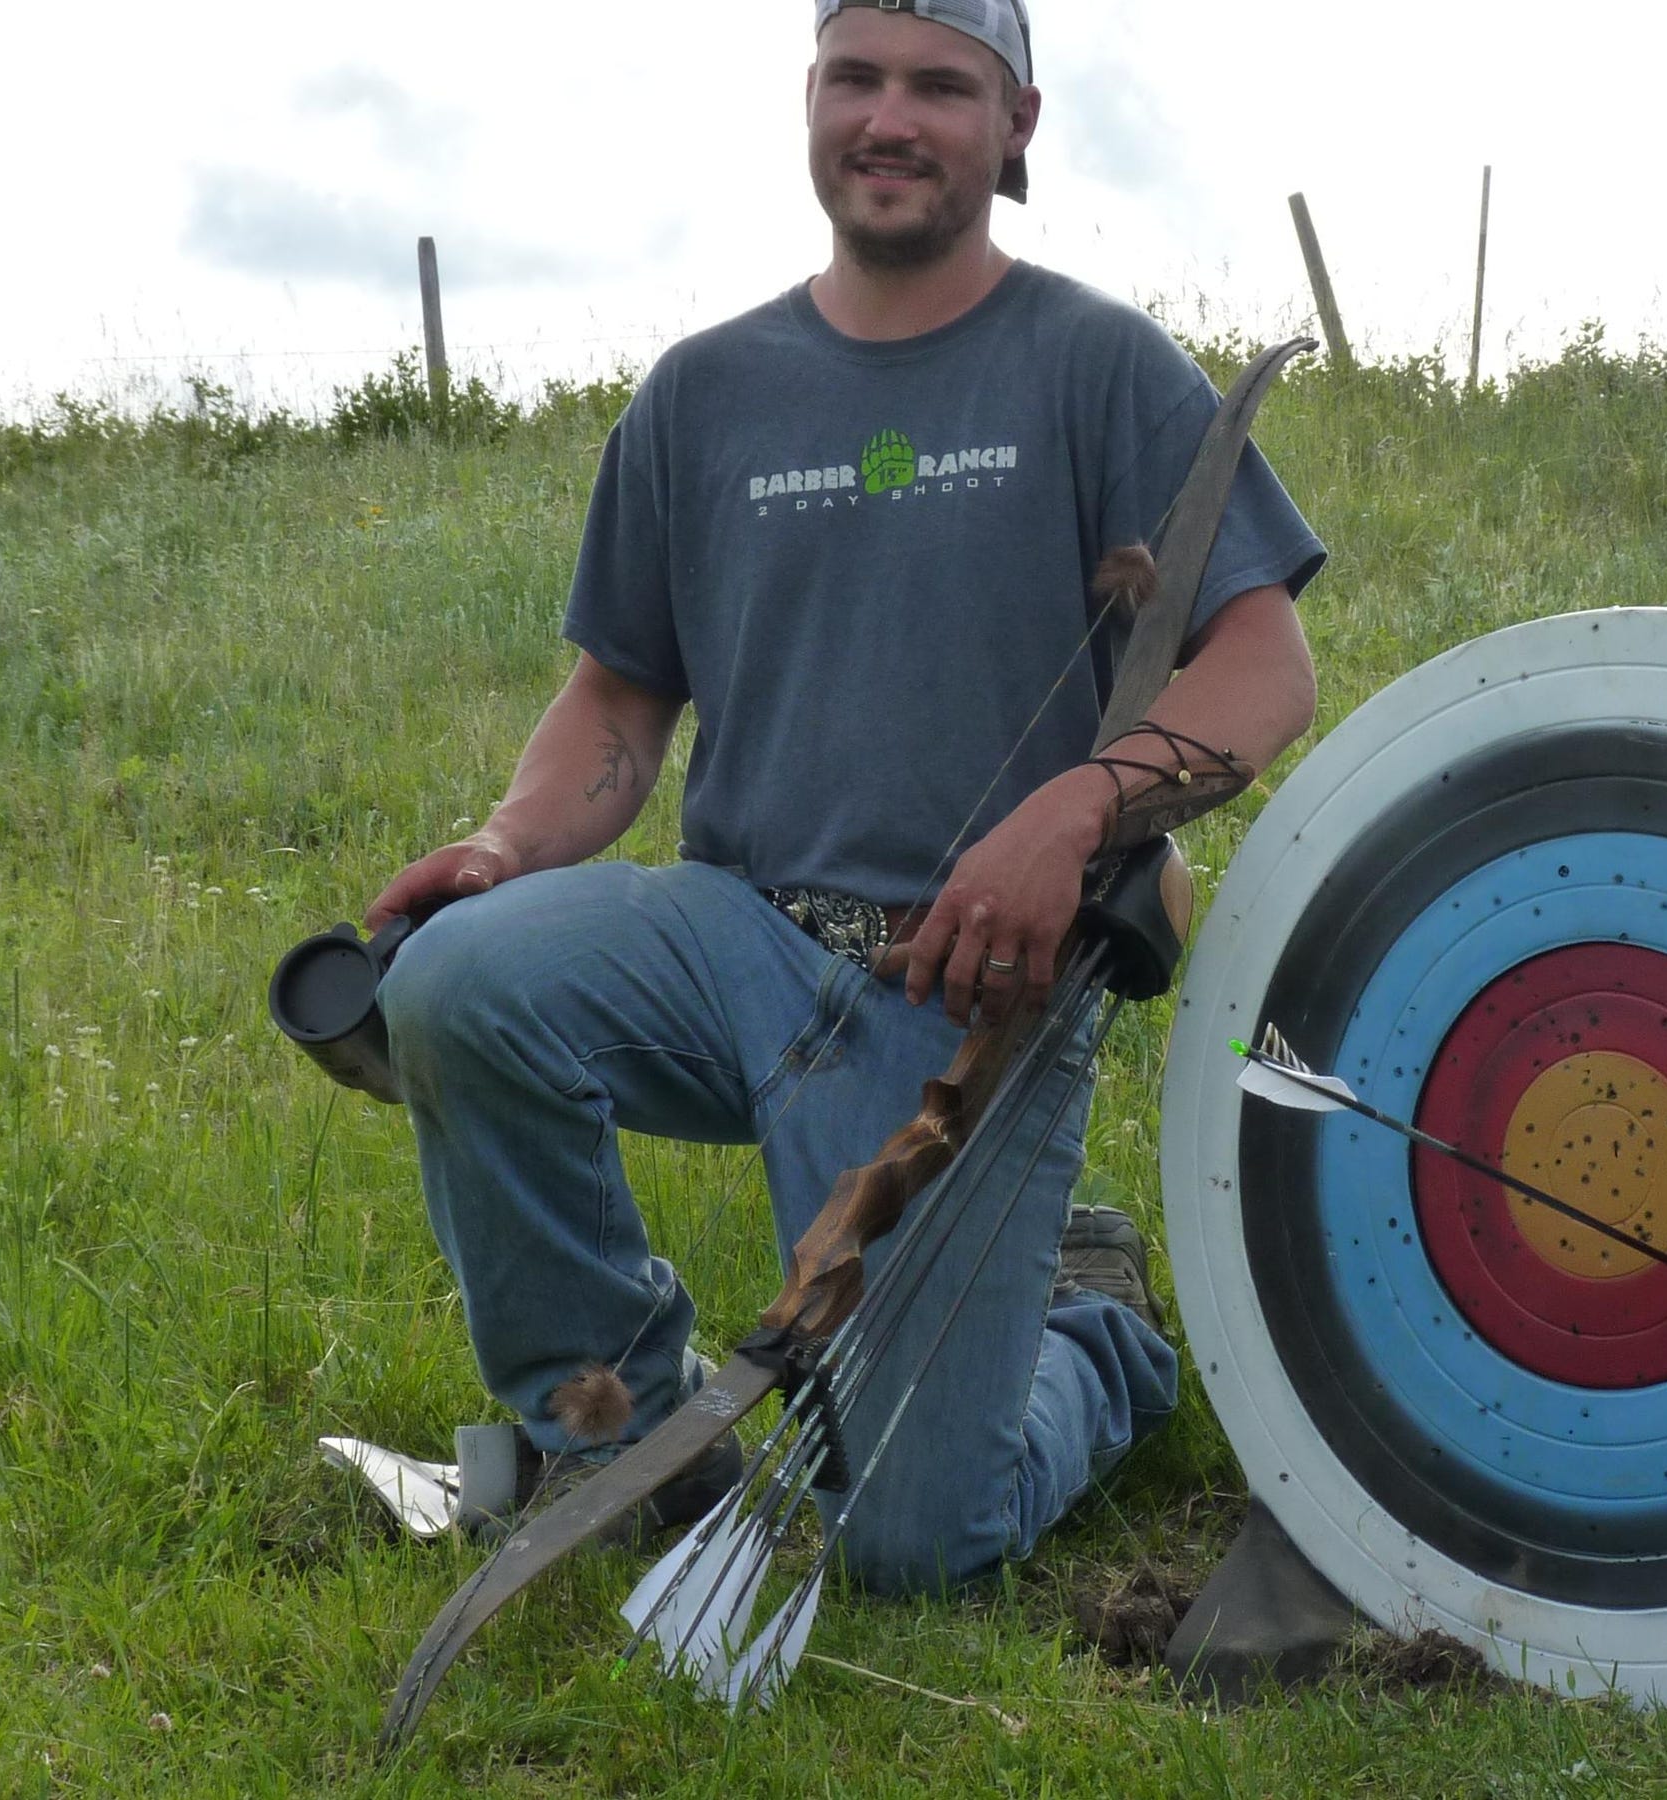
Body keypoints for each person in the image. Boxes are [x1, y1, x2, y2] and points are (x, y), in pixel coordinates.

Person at [363, 0, 1324, 1594]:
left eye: (940, 86)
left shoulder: (1097, 366)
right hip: (729, 939)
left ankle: (1097, 1333)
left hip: (967, 996)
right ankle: (629, 1436)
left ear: (1016, 125)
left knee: (909, 1545)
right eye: (855, 78)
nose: (891, 118)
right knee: (460, 982)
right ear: (809, 98)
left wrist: (1072, 812)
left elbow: (1263, 666)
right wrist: (506, 843)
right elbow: (619, 698)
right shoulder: (703, 393)